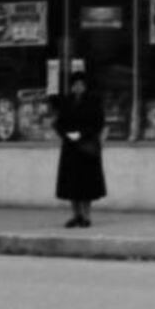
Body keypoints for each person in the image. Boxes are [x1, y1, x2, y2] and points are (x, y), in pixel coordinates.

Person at [50, 68, 107, 230]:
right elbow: (59, 123)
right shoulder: (66, 102)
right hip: (70, 148)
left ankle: (87, 215)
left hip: (87, 147)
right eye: (75, 84)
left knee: (87, 184)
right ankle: (75, 215)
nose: (78, 87)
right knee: (71, 184)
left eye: (81, 84)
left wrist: (82, 134)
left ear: (85, 86)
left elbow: (98, 123)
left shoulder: (93, 102)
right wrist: (67, 135)